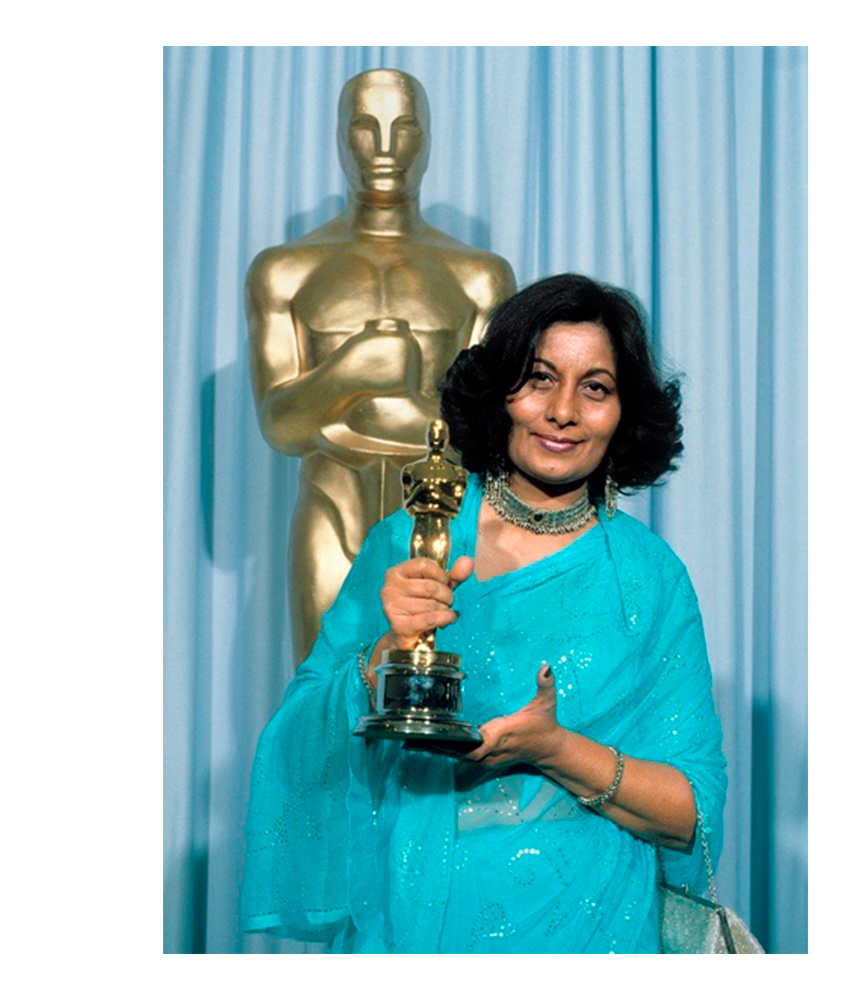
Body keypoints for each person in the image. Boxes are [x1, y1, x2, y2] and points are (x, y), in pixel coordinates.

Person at [239, 274, 727, 953]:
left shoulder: (649, 578)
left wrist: (556, 750)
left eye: (595, 388)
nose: (562, 411)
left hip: (594, 936)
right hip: (412, 927)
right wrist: (381, 659)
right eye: (539, 378)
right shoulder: (412, 541)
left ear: (624, 413)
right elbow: (297, 740)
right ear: (500, 390)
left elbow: (690, 814)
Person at [246, 68, 514, 660]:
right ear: (341, 137)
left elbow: (490, 434)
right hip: (331, 513)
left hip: (441, 526)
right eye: (366, 127)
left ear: (428, 139)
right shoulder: (286, 270)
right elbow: (280, 426)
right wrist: (355, 369)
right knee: (322, 694)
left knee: (439, 699)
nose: (385, 148)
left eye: (404, 128)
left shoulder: (478, 276)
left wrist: (351, 413)